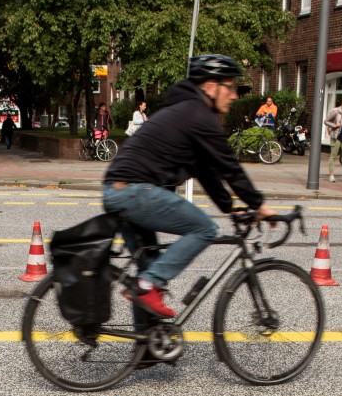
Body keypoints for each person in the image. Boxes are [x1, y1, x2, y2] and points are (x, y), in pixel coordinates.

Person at [103, 53, 276, 319]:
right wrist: (259, 205)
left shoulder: (185, 112)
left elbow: (205, 169)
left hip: (120, 191)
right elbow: (229, 166)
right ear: (210, 86)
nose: (234, 95)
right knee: (204, 228)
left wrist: (230, 208)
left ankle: (146, 347)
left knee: (149, 265)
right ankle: (148, 286)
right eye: (229, 87)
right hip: (134, 193)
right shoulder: (198, 114)